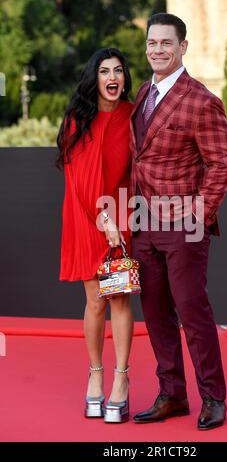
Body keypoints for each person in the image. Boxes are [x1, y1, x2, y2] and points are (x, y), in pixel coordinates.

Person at [130, 13, 227, 430]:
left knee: (193, 312)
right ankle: (172, 394)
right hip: (143, 221)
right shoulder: (143, 92)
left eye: (166, 43)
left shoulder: (201, 99)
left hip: (184, 225)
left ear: (183, 47)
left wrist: (199, 211)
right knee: (155, 314)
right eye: (152, 43)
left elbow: (223, 162)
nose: (157, 50)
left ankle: (213, 397)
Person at [56, 48, 133, 423]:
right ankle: (95, 374)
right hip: (88, 221)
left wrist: (119, 221)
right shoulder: (77, 119)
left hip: (120, 222)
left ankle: (122, 378)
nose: (112, 77)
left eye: (118, 70)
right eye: (104, 71)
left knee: (118, 298)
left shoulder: (133, 117)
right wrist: (104, 220)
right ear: (95, 78)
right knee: (95, 302)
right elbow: (80, 179)